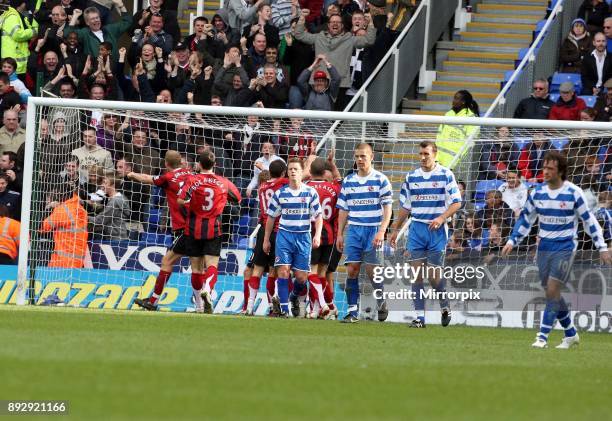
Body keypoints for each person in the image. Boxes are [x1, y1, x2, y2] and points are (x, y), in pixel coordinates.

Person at [501, 151, 611, 349]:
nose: (545, 171)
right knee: (552, 293)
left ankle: (542, 337)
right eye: (544, 168)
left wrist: (602, 246)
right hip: (544, 247)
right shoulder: (537, 192)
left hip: (566, 246)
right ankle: (570, 334)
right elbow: (526, 219)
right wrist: (512, 241)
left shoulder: (573, 193)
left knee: (552, 289)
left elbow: (589, 221)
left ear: (560, 171)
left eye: (550, 168)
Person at [389, 141, 462, 328]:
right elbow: (405, 206)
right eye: (420, 154)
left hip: (437, 230)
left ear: (435, 154)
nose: (423, 157)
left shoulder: (446, 175)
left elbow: (456, 202)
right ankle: (420, 318)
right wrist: (396, 228)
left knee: (433, 276)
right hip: (417, 229)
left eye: (426, 154)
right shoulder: (411, 177)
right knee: (416, 275)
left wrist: (441, 217)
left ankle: (444, 305)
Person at [177, 151, 241, 313]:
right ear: (215, 164)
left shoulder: (192, 179)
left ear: (198, 164)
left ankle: (198, 305)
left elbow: (180, 200)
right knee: (212, 264)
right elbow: (238, 198)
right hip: (214, 228)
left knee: (196, 268)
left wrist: (190, 204)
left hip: (192, 228)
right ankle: (208, 288)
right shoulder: (223, 182)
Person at [336, 143, 393, 323]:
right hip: (354, 230)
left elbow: (388, 209)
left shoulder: (381, 179)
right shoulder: (348, 181)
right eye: (357, 157)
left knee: (372, 272)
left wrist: (382, 231)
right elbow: (343, 209)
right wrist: (339, 233)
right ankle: (353, 312)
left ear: (371, 157)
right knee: (352, 269)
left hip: (374, 229)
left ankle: (382, 301)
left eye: (363, 156)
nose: (360, 160)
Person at [131, 151, 194, 311]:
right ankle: (201, 302)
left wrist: (131, 174)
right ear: (181, 162)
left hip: (183, 227)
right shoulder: (191, 174)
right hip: (199, 224)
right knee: (198, 265)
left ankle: (153, 301)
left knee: (167, 262)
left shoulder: (167, 178)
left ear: (166, 164)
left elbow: (147, 179)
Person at [263, 157, 322, 317]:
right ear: (287, 173)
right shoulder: (280, 193)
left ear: (302, 172)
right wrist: (266, 239)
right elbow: (271, 217)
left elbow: (318, 216)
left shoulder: (310, 192)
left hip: (303, 237)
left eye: (296, 169)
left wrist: (317, 235)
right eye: (290, 169)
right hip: (284, 236)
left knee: (301, 278)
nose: (293, 171)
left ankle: (293, 297)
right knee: (283, 271)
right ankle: (284, 310)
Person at [243, 159, 288, 315]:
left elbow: (271, 176)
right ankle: (272, 306)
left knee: (257, 270)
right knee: (273, 271)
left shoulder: (262, 187)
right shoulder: (283, 184)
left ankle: (249, 307)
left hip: (263, 230)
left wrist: (264, 168)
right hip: (278, 230)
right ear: (283, 173)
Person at [305, 156, 341, 319]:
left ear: (311, 172)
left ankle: (320, 306)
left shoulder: (306, 187)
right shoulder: (334, 188)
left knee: (311, 272)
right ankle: (318, 309)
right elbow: (340, 182)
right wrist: (334, 168)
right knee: (322, 273)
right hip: (330, 235)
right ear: (325, 172)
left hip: (311, 233)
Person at [41, 184, 88, 268]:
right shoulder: (80, 208)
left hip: (62, 262)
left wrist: (48, 208)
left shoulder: (63, 210)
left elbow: (41, 228)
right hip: (77, 261)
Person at [436, 90, 480, 168]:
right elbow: (439, 135)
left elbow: (470, 143)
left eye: (456, 98)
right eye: (454, 98)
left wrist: (458, 161)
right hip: (438, 161)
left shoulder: (471, 118)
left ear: (463, 102)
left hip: (456, 163)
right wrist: (435, 157)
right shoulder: (448, 114)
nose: (453, 101)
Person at [0, 0, 39, 78]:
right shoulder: (12, 16)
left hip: (17, 65)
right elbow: (17, 34)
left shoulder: (21, 15)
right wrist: (34, 32)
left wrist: (34, 28)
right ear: (23, 4)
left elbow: (34, 26)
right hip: (12, 65)